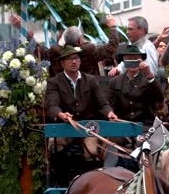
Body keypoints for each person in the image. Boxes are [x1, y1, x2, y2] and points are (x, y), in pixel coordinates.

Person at [45, 45, 118, 185]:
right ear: (62, 63)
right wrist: (61, 115)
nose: (74, 62)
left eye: (76, 58)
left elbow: (102, 103)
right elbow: (52, 105)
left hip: (87, 126)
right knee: (55, 145)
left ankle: (89, 183)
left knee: (91, 151)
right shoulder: (54, 82)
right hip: (65, 126)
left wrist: (110, 113)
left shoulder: (90, 80)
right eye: (70, 59)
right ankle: (62, 182)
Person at [10, 14, 119, 77]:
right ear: (80, 40)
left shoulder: (55, 51)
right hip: (88, 98)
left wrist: (24, 31)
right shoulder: (87, 50)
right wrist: (113, 27)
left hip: (62, 99)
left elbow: (39, 51)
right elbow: (110, 48)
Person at [107, 45, 164, 129]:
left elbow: (160, 98)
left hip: (145, 126)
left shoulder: (150, 78)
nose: (133, 62)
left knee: (143, 141)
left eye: (136, 59)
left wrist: (149, 74)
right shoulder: (115, 82)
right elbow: (110, 106)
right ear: (124, 61)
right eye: (129, 59)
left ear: (141, 60)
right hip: (122, 127)